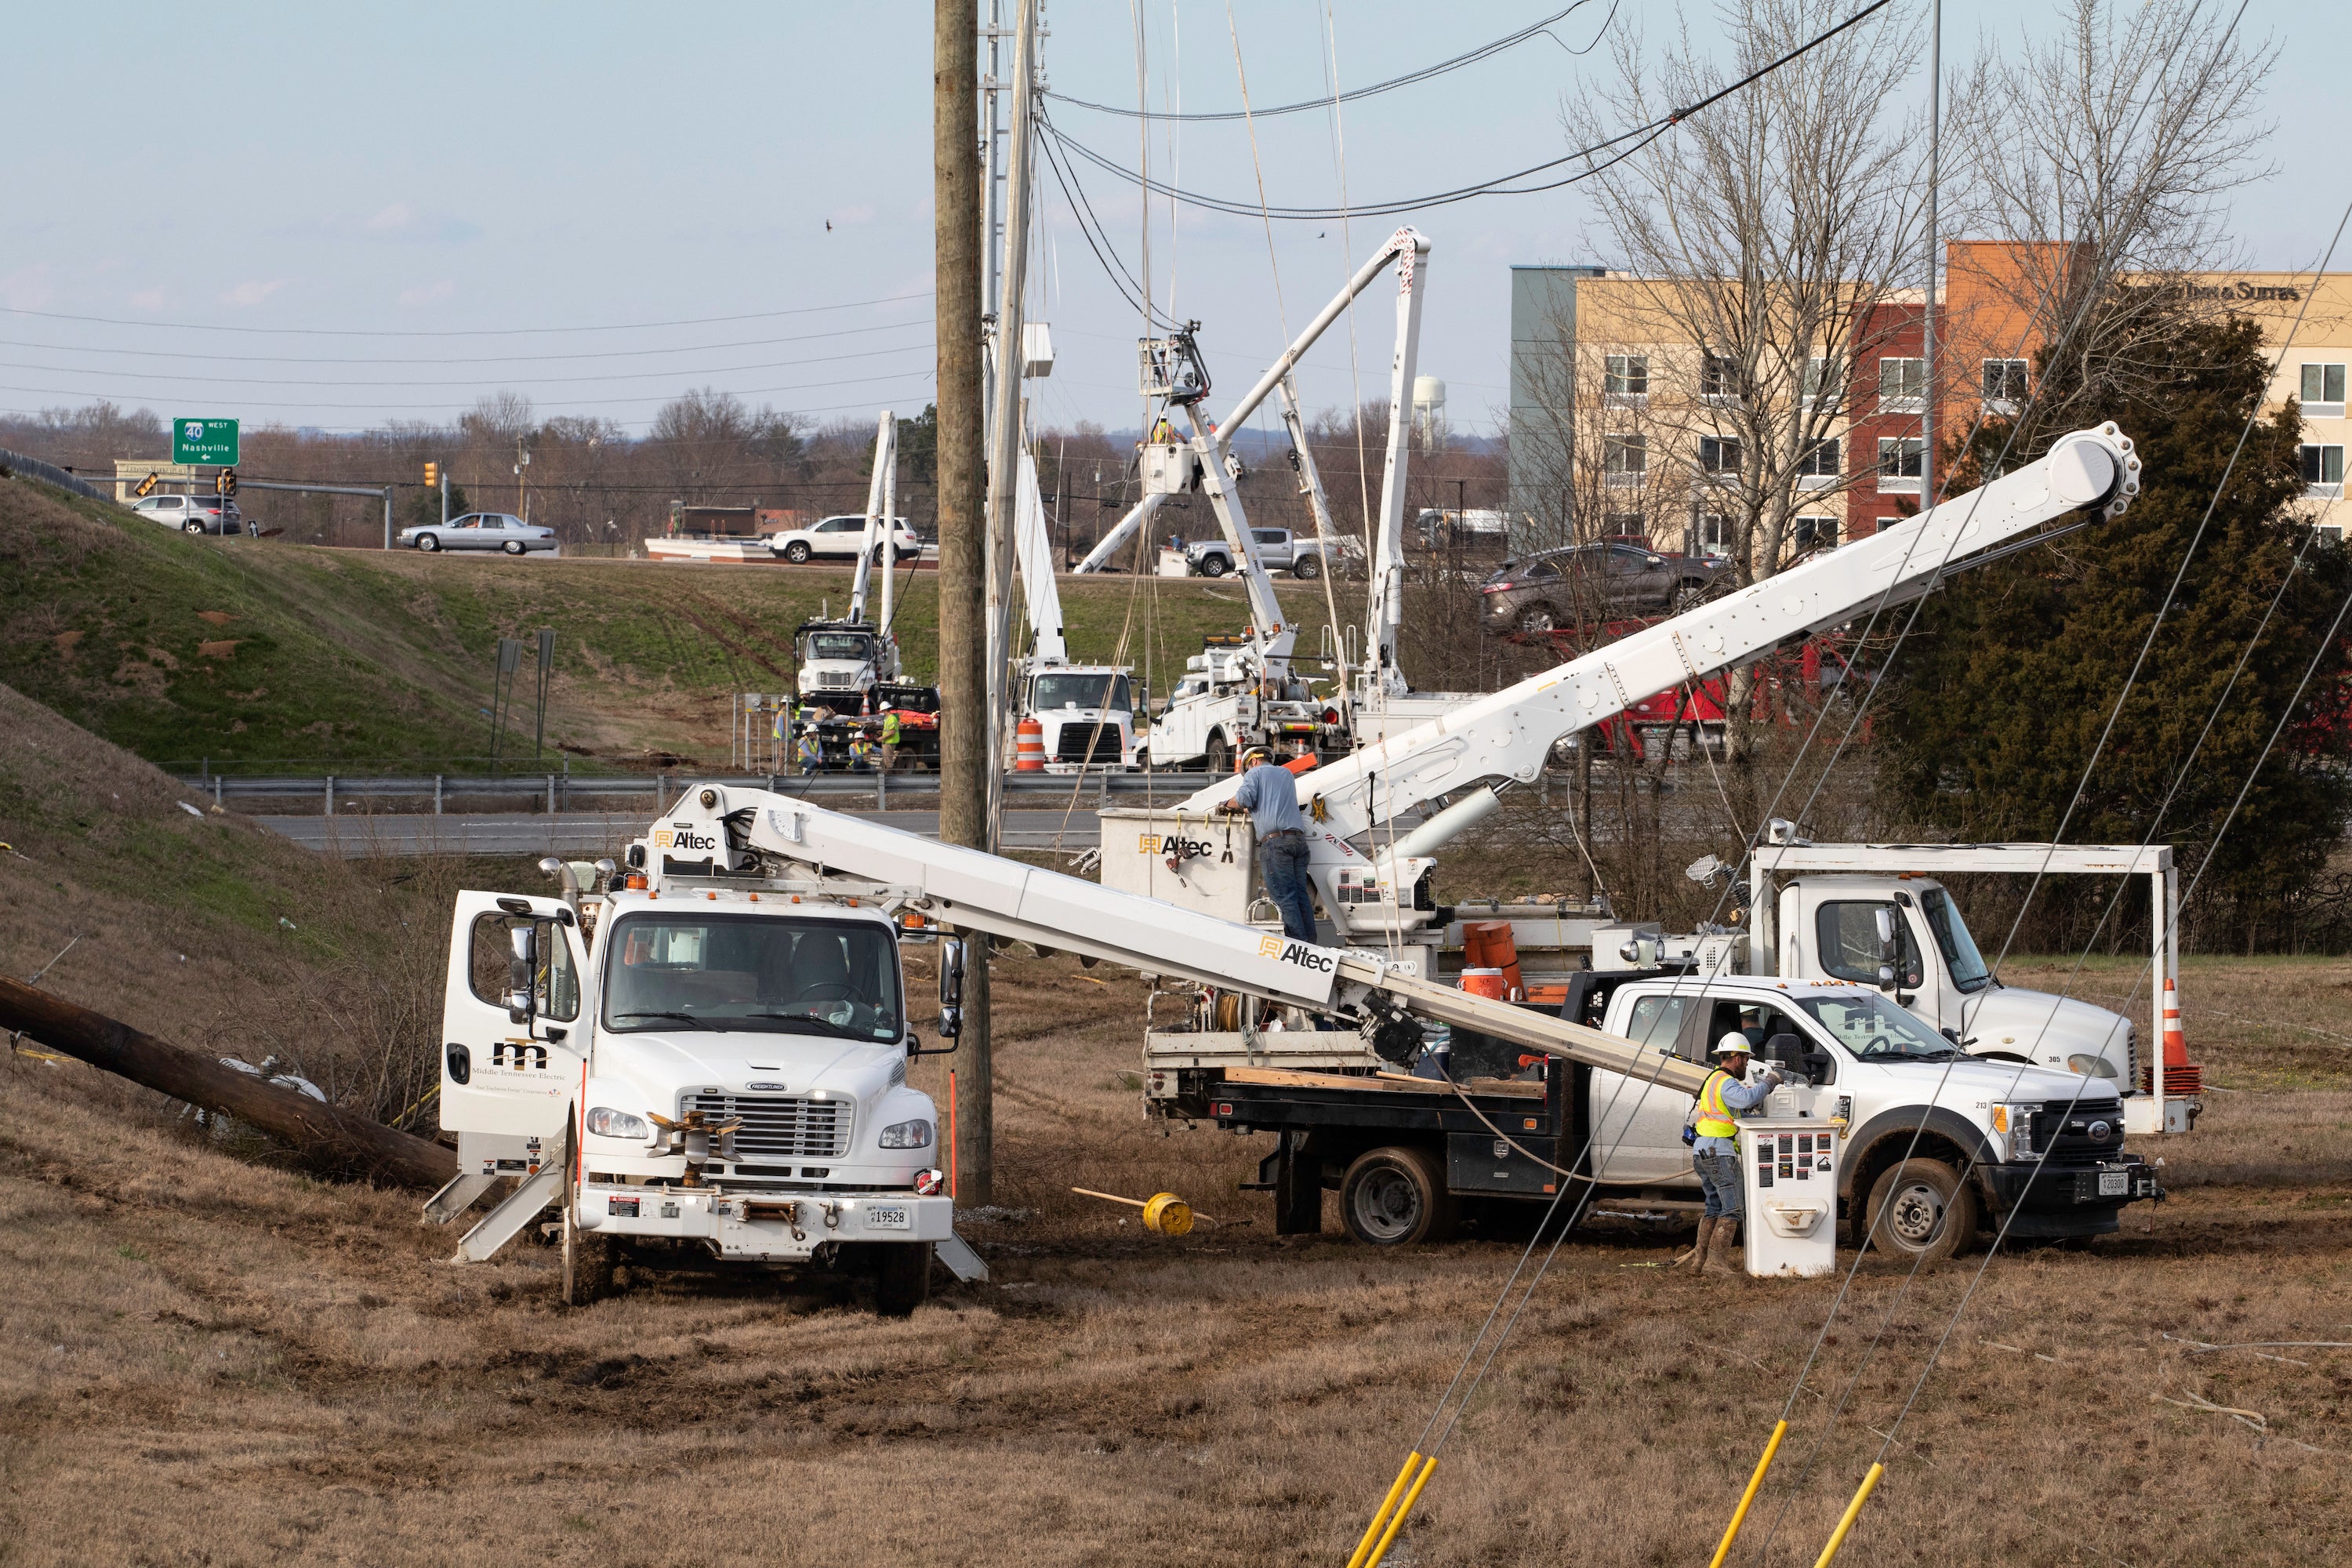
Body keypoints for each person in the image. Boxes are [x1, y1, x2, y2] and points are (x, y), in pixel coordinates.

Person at [1680, 1034, 1783, 1276]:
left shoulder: (1713, 1079)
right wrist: (1771, 1081)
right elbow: (1748, 1098)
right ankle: (1715, 1265)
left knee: (1713, 1207)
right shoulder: (1726, 1082)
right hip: (1718, 1151)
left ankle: (1700, 1262)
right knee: (1733, 1208)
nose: (1747, 1065)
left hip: (1704, 1150)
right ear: (1737, 1058)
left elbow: (1736, 1111)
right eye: (1746, 1059)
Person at [1218, 746, 1318, 946]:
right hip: (1297, 841)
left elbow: (1244, 799)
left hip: (1276, 844)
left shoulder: (1254, 773)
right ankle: (1312, 944)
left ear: (1252, 762)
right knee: (1300, 896)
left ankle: (1299, 947)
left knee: (1285, 898)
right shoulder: (1286, 774)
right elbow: (1270, 803)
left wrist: (1225, 804)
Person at [878, 707, 902, 772]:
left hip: (889, 741)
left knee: (888, 761)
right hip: (887, 741)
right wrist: (881, 732)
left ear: (885, 710)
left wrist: (882, 738)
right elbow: (888, 730)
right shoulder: (888, 718)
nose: (882, 713)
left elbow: (892, 732)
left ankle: (889, 777)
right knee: (887, 760)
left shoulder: (892, 718)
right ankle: (888, 774)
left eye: (883, 711)